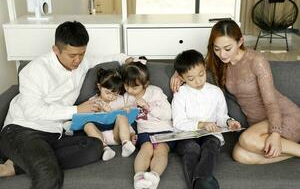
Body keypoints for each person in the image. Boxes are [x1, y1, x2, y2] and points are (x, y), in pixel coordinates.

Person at [0, 21, 132, 188]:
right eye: (72, 56)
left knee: (94, 147)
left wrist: (127, 59)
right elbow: (32, 112)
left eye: (82, 54)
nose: (77, 60)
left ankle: (14, 165)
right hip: (23, 130)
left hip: (55, 133)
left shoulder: (82, 62)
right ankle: (31, 160)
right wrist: (77, 110)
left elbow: (109, 58)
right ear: (56, 49)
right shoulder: (34, 70)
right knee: (49, 174)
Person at [171, 19, 300, 165]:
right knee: (239, 155)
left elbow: (271, 102)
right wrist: (177, 73)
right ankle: (292, 152)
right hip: (258, 127)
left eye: (227, 48)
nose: (222, 54)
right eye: (216, 48)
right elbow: (194, 67)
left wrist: (276, 134)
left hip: (282, 117)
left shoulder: (256, 61)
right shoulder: (219, 61)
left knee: (246, 139)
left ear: (240, 42)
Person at [172, 49, 241, 189]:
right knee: (191, 148)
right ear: (182, 77)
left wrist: (229, 122)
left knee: (211, 146)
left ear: (204, 68)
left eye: (201, 74)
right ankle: (203, 183)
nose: (198, 81)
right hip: (187, 135)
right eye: (191, 79)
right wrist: (202, 124)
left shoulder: (216, 92)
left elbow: (221, 116)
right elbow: (178, 122)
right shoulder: (180, 94)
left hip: (210, 134)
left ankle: (199, 181)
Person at [120, 61, 175, 189]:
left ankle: (154, 176)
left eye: (135, 87)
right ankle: (139, 178)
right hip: (145, 131)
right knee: (146, 149)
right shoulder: (126, 97)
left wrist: (148, 107)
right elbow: (123, 120)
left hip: (164, 129)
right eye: (126, 86)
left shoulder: (156, 92)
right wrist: (132, 133)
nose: (130, 90)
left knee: (160, 150)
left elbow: (169, 114)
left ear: (145, 84)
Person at [82, 68, 136, 161]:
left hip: (117, 135)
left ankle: (126, 144)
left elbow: (127, 121)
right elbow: (86, 117)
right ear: (99, 87)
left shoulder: (121, 100)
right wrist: (99, 111)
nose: (111, 97)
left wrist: (131, 134)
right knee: (88, 125)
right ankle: (105, 149)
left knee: (122, 117)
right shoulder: (93, 101)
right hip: (100, 136)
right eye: (107, 93)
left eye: (115, 94)